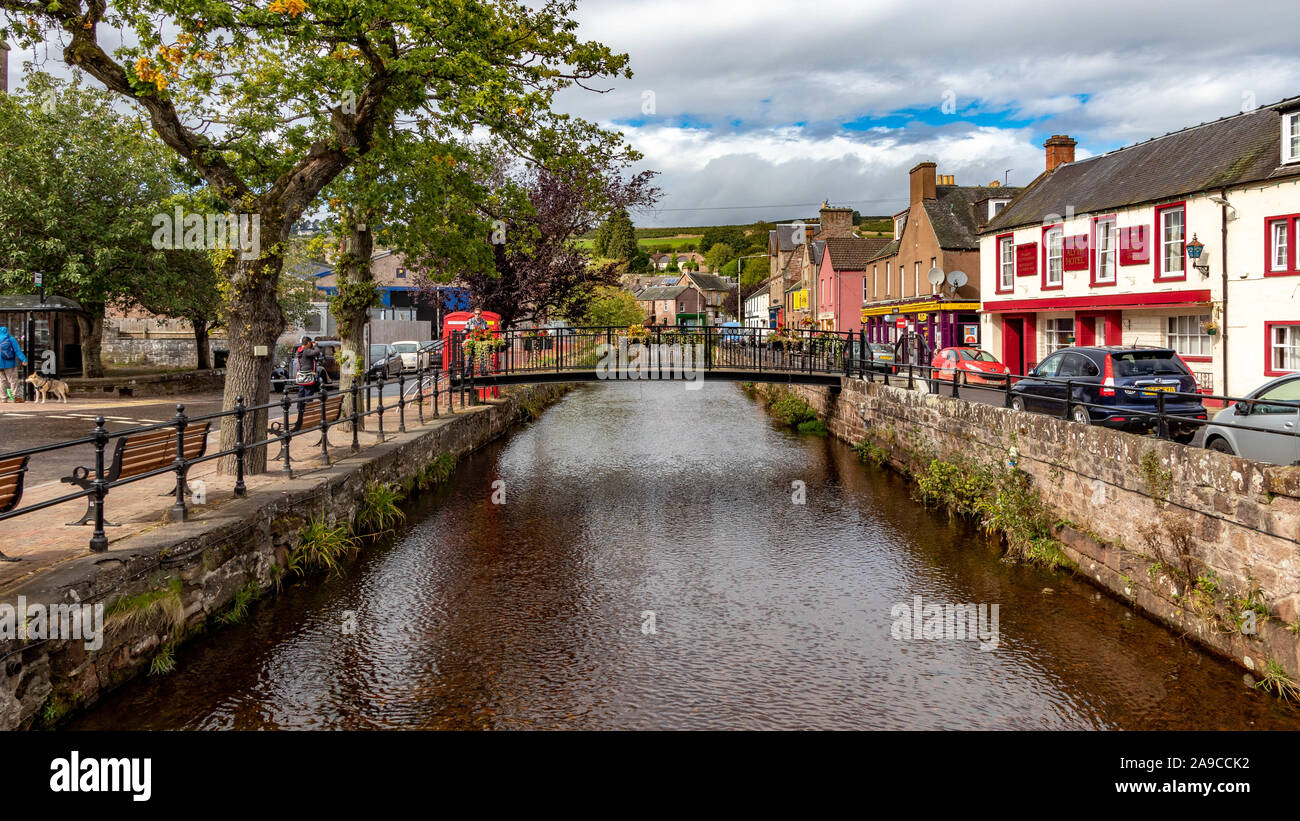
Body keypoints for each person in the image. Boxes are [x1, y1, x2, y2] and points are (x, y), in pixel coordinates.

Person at [292, 336, 322, 431]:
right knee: (308, 396)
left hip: (302, 377)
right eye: (310, 343)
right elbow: (317, 352)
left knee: (301, 395)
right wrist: (316, 345)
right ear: (308, 342)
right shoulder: (306, 351)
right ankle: (307, 419)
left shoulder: (300, 351)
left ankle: (300, 418)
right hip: (308, 377)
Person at [0, 326, 28, 403]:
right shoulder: (10, 338)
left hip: (0, 365)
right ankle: (16, 397)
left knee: (2, 381)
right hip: (10, 363)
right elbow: (17, 350)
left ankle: (3, 398)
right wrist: (24, 359)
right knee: (13, 380)